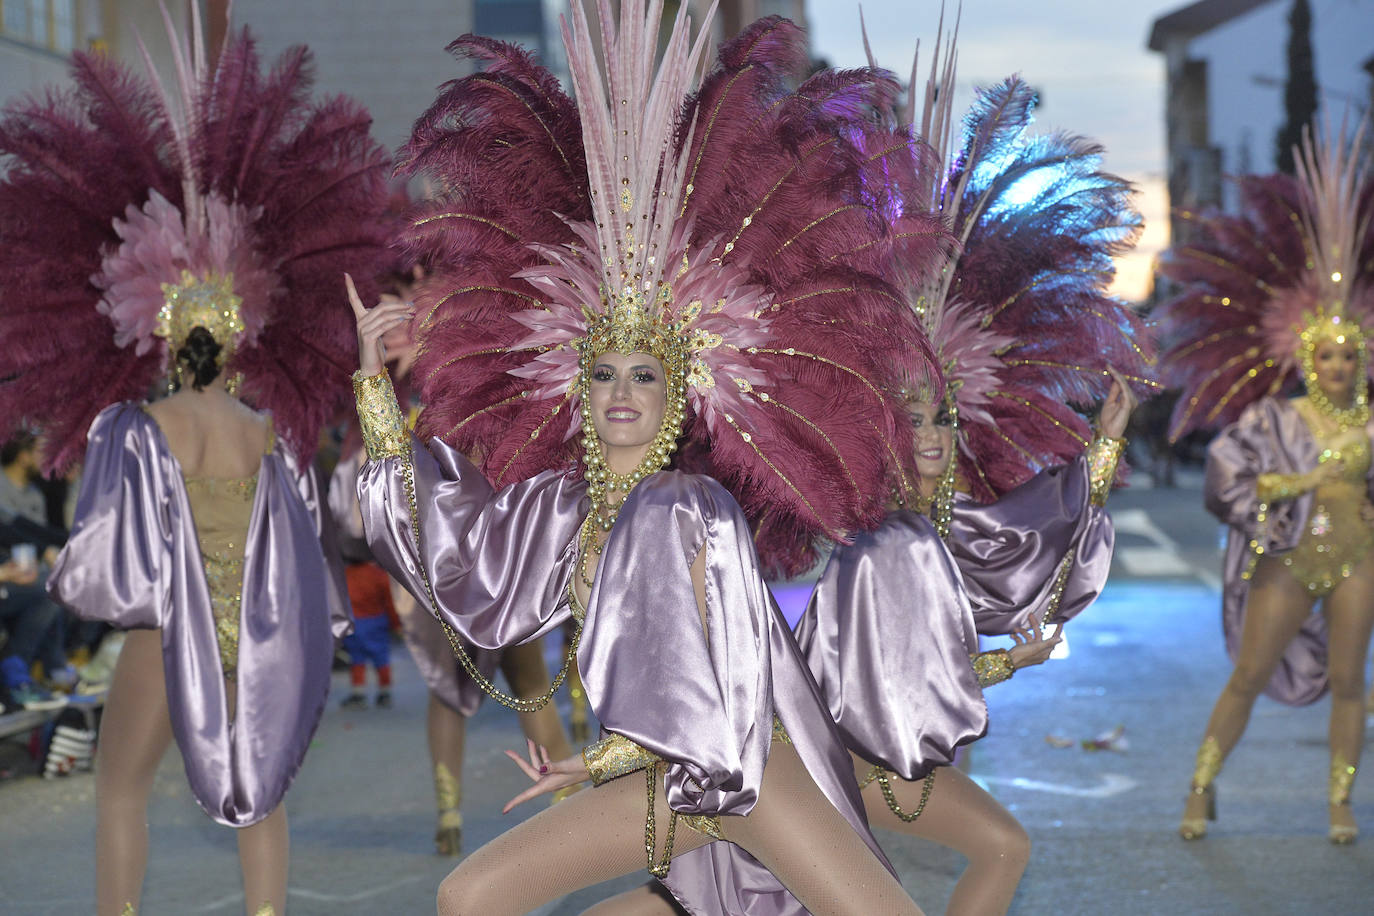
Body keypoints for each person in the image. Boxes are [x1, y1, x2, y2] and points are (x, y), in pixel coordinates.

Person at [354, 3, 952, 912]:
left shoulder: (684, 506)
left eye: (645, 374)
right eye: (602, 374)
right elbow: (455, 550)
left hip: (746, 774)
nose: (622, 392)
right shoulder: (564, 509)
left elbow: (705, 689)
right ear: (576, 390)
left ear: (682, 395)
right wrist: (376, 399)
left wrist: (592, 760)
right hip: (667, 783)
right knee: (474, 898)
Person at [0, 12, 389, 914]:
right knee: (265, 802)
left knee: (120, 790)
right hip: (250, 643)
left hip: (159, 642)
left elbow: (107, 561)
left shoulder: (135, 428)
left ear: (161, 337)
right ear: (244, 339)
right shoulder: (267, 435)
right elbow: (302, 554)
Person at [1160, 122, 1374, 845]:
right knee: (1249, 673)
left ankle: (1340, 803)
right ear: (1308, 359)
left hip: (1358, 556)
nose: (1340, 366)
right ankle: (1200, 786)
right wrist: (1308, 476)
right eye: (1328, 356)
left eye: (1351, 355)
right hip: (1289, 553)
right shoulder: (1274, 418)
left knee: (1351, 683)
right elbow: (1227, 478)